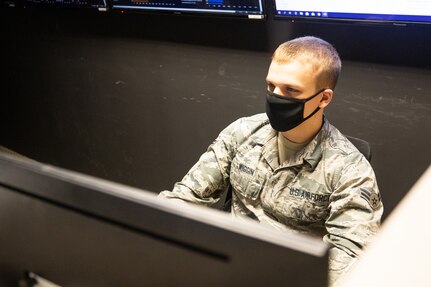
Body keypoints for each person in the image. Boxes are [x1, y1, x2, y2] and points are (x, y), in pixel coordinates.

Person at [159, 36, 383, 286]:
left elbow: (351, 258)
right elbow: (186, 197)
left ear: (324, 98)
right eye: (271, 86)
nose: (276, 97)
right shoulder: (242, 133)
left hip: (291, 278)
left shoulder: (349, 168)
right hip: (226, 266)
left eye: (291, 90)